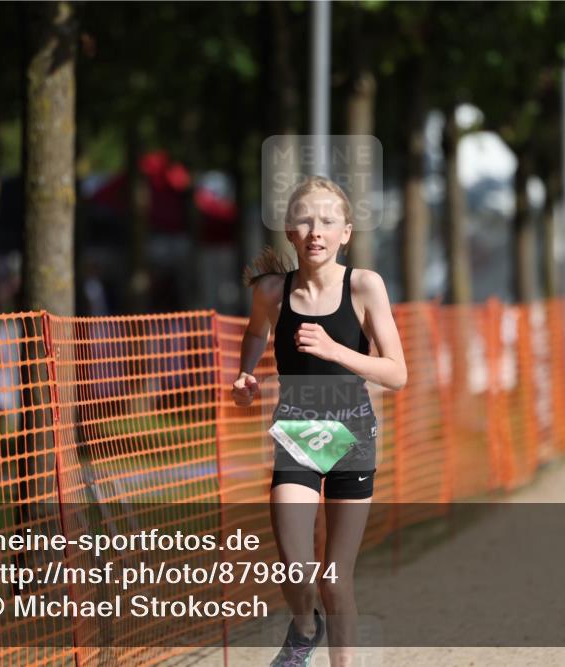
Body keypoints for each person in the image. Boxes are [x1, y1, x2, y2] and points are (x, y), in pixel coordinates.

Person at [232, 177, 407, 667]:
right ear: (290, 230)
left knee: (335, 579)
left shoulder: (365, 286)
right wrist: (246, 373)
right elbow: (256, 333)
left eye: (328, 221)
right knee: (295, 565)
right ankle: (305, 629)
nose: (316, 231)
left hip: (353, 434)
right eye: (306, 220)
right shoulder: (271, 291)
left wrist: (335, 350)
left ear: (345, 232)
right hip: (298, 432)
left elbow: (397, 374)